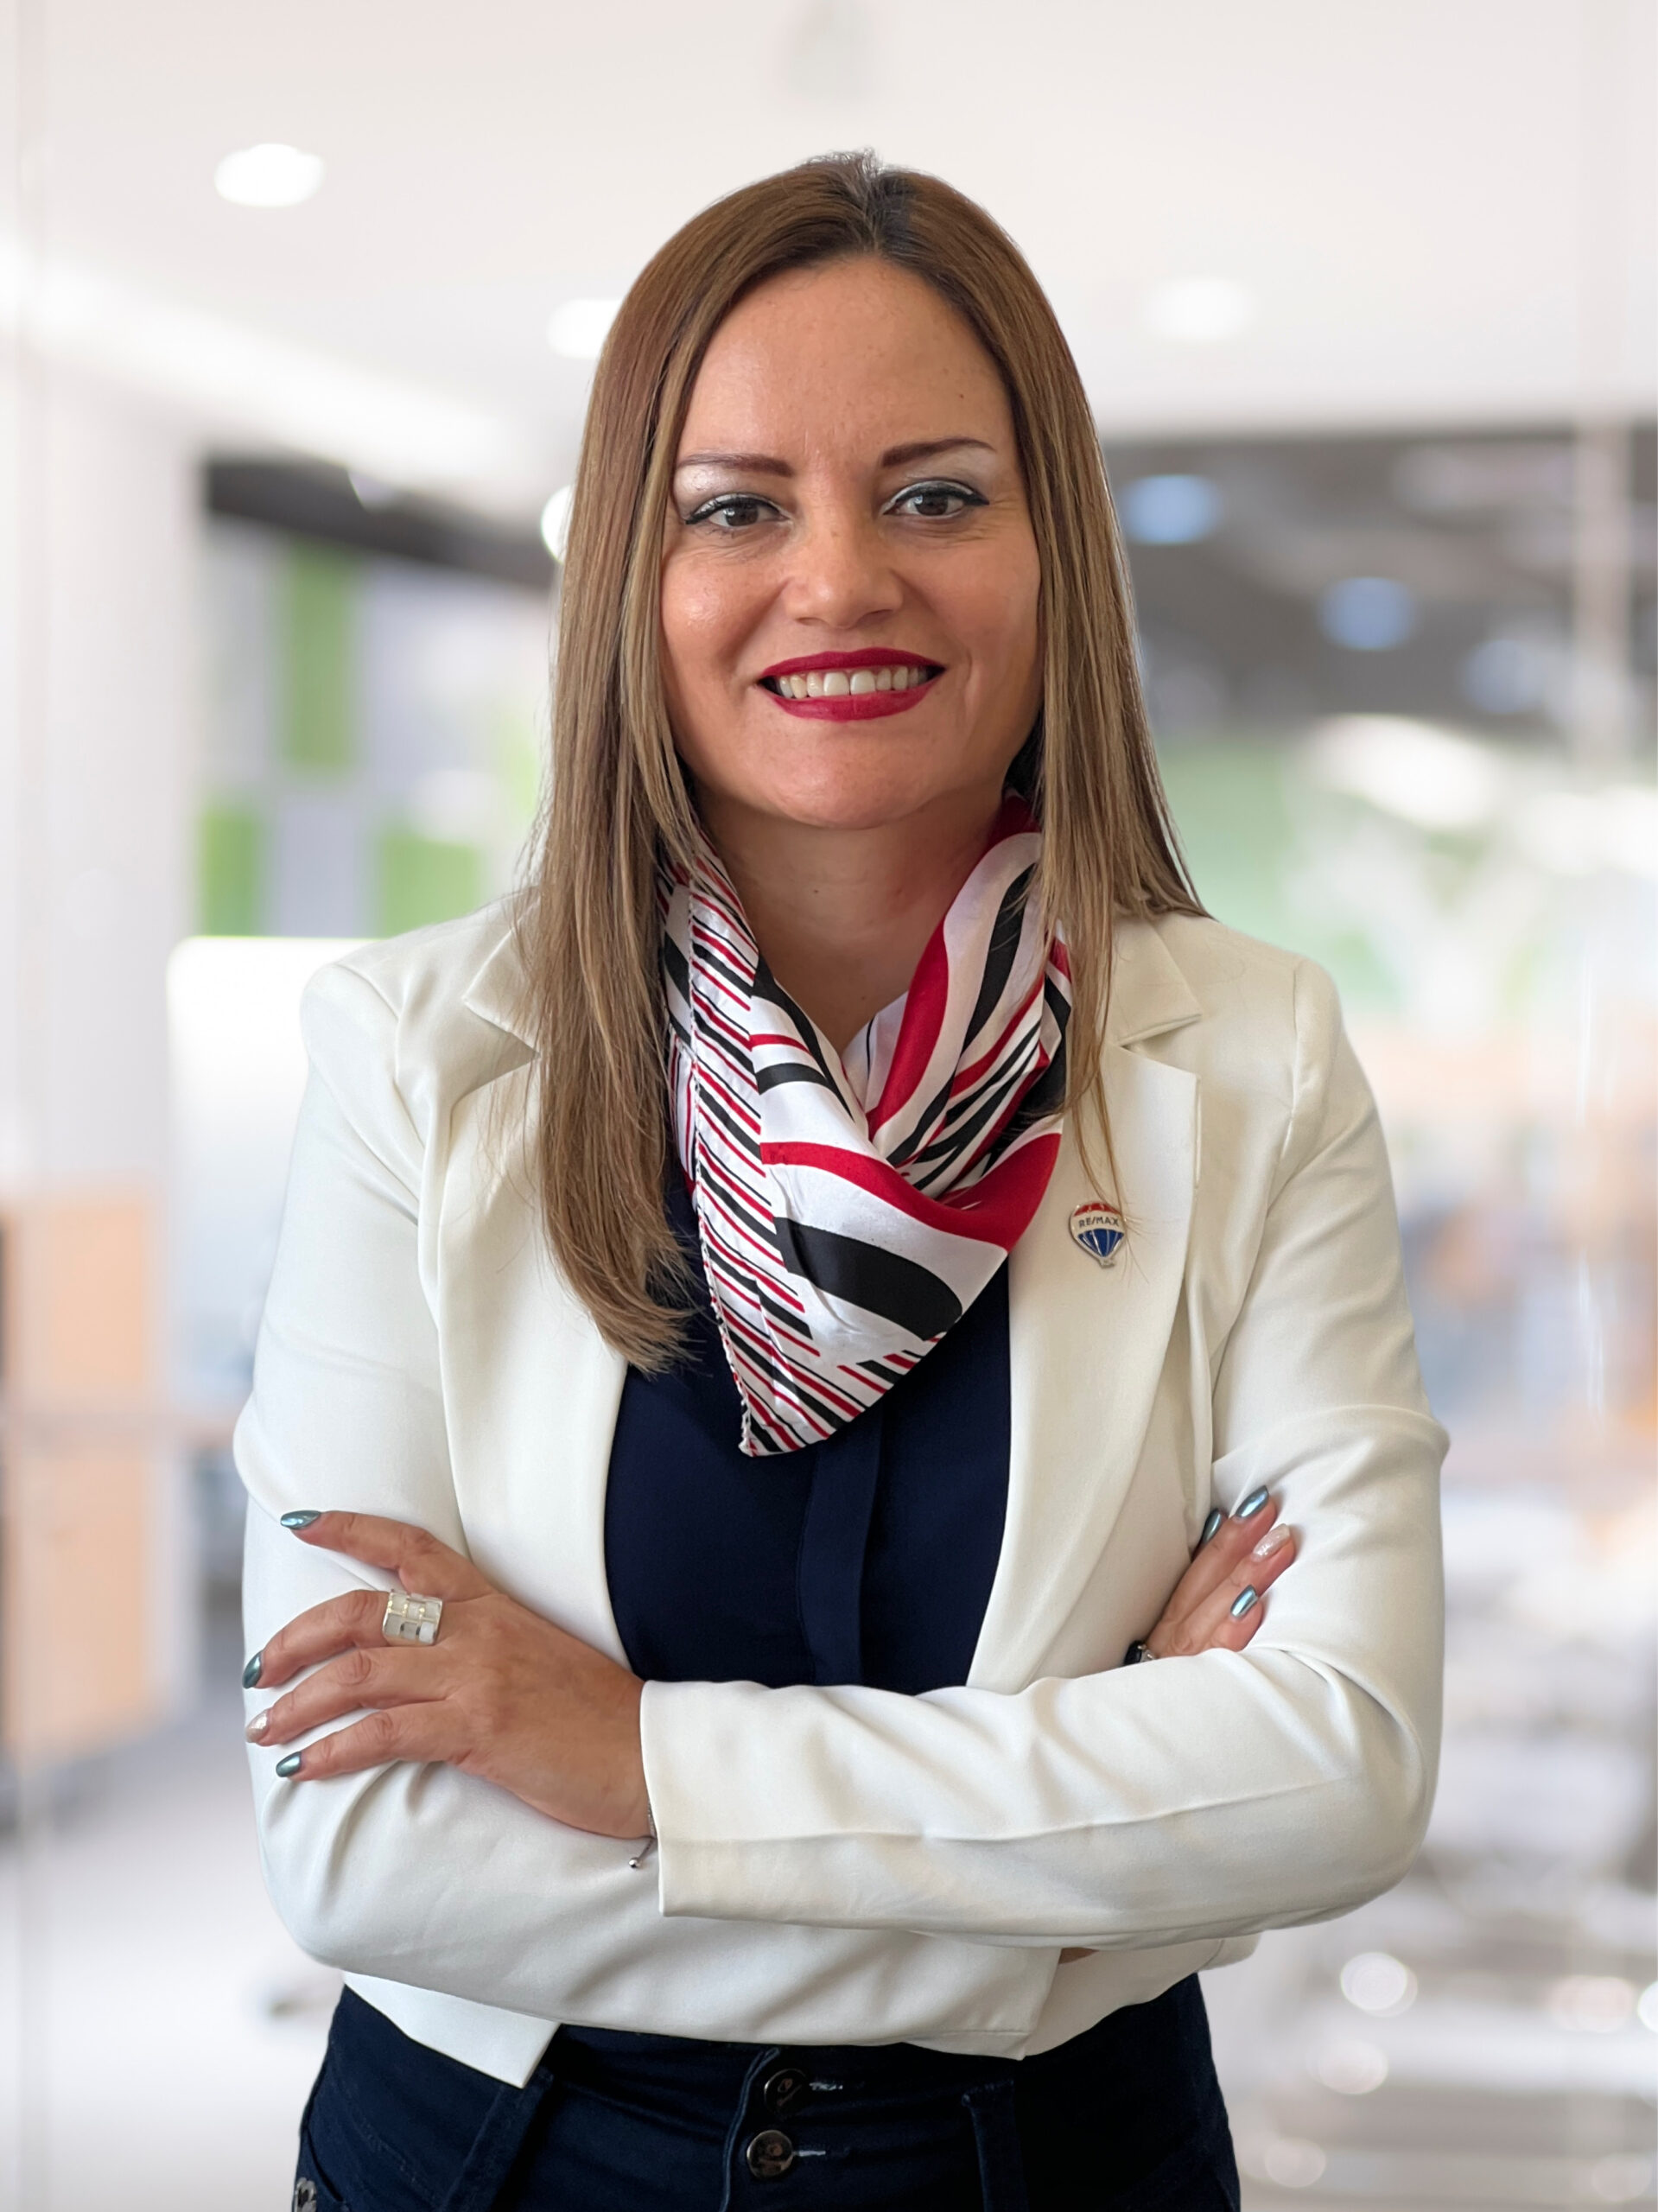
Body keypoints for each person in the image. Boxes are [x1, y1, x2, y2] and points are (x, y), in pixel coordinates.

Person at [237, 153, 1445, 2212]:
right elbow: (364, 1849)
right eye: (736, 506)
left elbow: (1337, 1763)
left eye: (936, 495)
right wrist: (1086, 1862)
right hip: (505, 2157)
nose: (840, 579)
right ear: (635, 574)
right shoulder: (418, 1057)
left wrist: (629, 1759)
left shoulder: (1252, 1054)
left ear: (1054, 556)